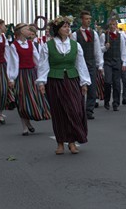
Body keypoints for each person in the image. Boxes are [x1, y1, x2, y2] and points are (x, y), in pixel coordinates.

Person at [36, 16, 91, 154]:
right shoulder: (47, 46)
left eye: (68, 27)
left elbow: (81, 64)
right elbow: (43, 65)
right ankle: (60, 142)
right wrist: (42, 82)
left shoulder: (75, 45)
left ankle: (72, 141)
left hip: (72, 80)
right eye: (64, 27)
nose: (68, 29)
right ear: (57, 29)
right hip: (55, 81)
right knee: (59, 112)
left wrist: (84, 82)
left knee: (74, 110)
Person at [8, 23, 51, 136]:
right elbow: (13, 63)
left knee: (33, 98)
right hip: (21, 75)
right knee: (21, 100)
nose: (29, 31)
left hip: (31, 74)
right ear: (21, 32)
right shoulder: (14, 46)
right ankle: (25, 126)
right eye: (27, 29)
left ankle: (29, 122)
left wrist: (42, 74)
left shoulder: (31, 44)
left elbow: (37, 60)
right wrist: (11, 78)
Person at [100, 17, 126, 111]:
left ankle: (116, 103)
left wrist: (124, 63)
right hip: (107, 61)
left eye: (114, 24)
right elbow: (100, 49)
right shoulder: (104, 36)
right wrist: (105, 48)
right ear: (109, 26)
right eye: (111, 25)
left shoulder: (121, 36)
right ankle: (106, 101)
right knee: (107, 82)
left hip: (117, 61)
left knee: (116, 83)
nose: (112, 26)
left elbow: (123, 50)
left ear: (116, 26)